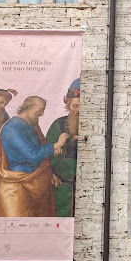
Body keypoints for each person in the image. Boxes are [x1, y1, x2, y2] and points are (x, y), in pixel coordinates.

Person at [0, 96, 69, 217]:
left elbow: (40, 152)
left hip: (35, 179)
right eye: (40, 110)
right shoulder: (12, 127)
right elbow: (31, 154)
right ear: (29, 108)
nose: (42, 114)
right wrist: (56, 145)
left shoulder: (31, 125)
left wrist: (48, 171)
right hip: (17, 183)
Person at [46, 79, 80, 217]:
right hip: (60, 182)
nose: (78, 110)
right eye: (75, 106)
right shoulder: (58, 124)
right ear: (69, 106)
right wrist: (49, 172)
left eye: (82, 107)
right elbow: (46, 151)